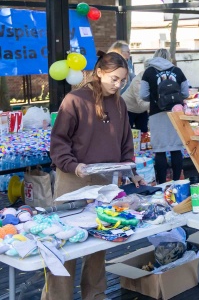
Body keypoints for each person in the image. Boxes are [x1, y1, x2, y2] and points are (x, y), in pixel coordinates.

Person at [47, 52, 143, 300]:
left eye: (122, 80)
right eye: (114, 79)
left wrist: (132, 172)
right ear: (99, 72)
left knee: (99, 240)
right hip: (73, 178)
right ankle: (58, 297)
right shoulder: (74, 100)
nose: (118, 84)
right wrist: (72, 165)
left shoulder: (120, 103)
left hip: (104, 181)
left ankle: (96, 294)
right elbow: (58, 143)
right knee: (65, 243)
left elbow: (125, 145)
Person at [140, 49, 189, 183]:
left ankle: (161, 184)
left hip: (156, 113)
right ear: (169, 57)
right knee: (176, 148)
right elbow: (185, 93)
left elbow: (143, 95)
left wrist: (155, 97)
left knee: (159, 150)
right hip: (176, 113)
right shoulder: (177, 71)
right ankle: (177, 182)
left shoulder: (148, 72)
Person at [122, 58, 152, 132]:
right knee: (127, 133)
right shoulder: (138, 82)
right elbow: (142, 104)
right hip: (128, 109)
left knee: (144, 132)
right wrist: (158, 102)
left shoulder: (152, 78)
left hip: (142, 110)